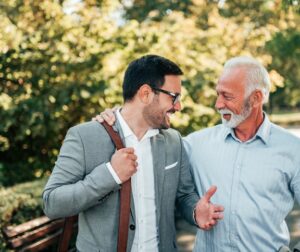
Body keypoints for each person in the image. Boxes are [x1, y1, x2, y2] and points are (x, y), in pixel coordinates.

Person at [97, 56, 300, 251]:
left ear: (256, 98)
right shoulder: (194, 144)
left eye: (227, 96)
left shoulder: (292, 150)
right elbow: (143, 145)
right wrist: (119, 117)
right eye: (218, 94)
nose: (218, 104)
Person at [43, 55, 224, 252]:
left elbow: (184, 195)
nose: (178, 106)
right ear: (145, 94)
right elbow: (52, 203)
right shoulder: (84, 136)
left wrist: (195, 211)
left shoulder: (174, 142)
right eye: (174, 97)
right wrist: (110, 174)